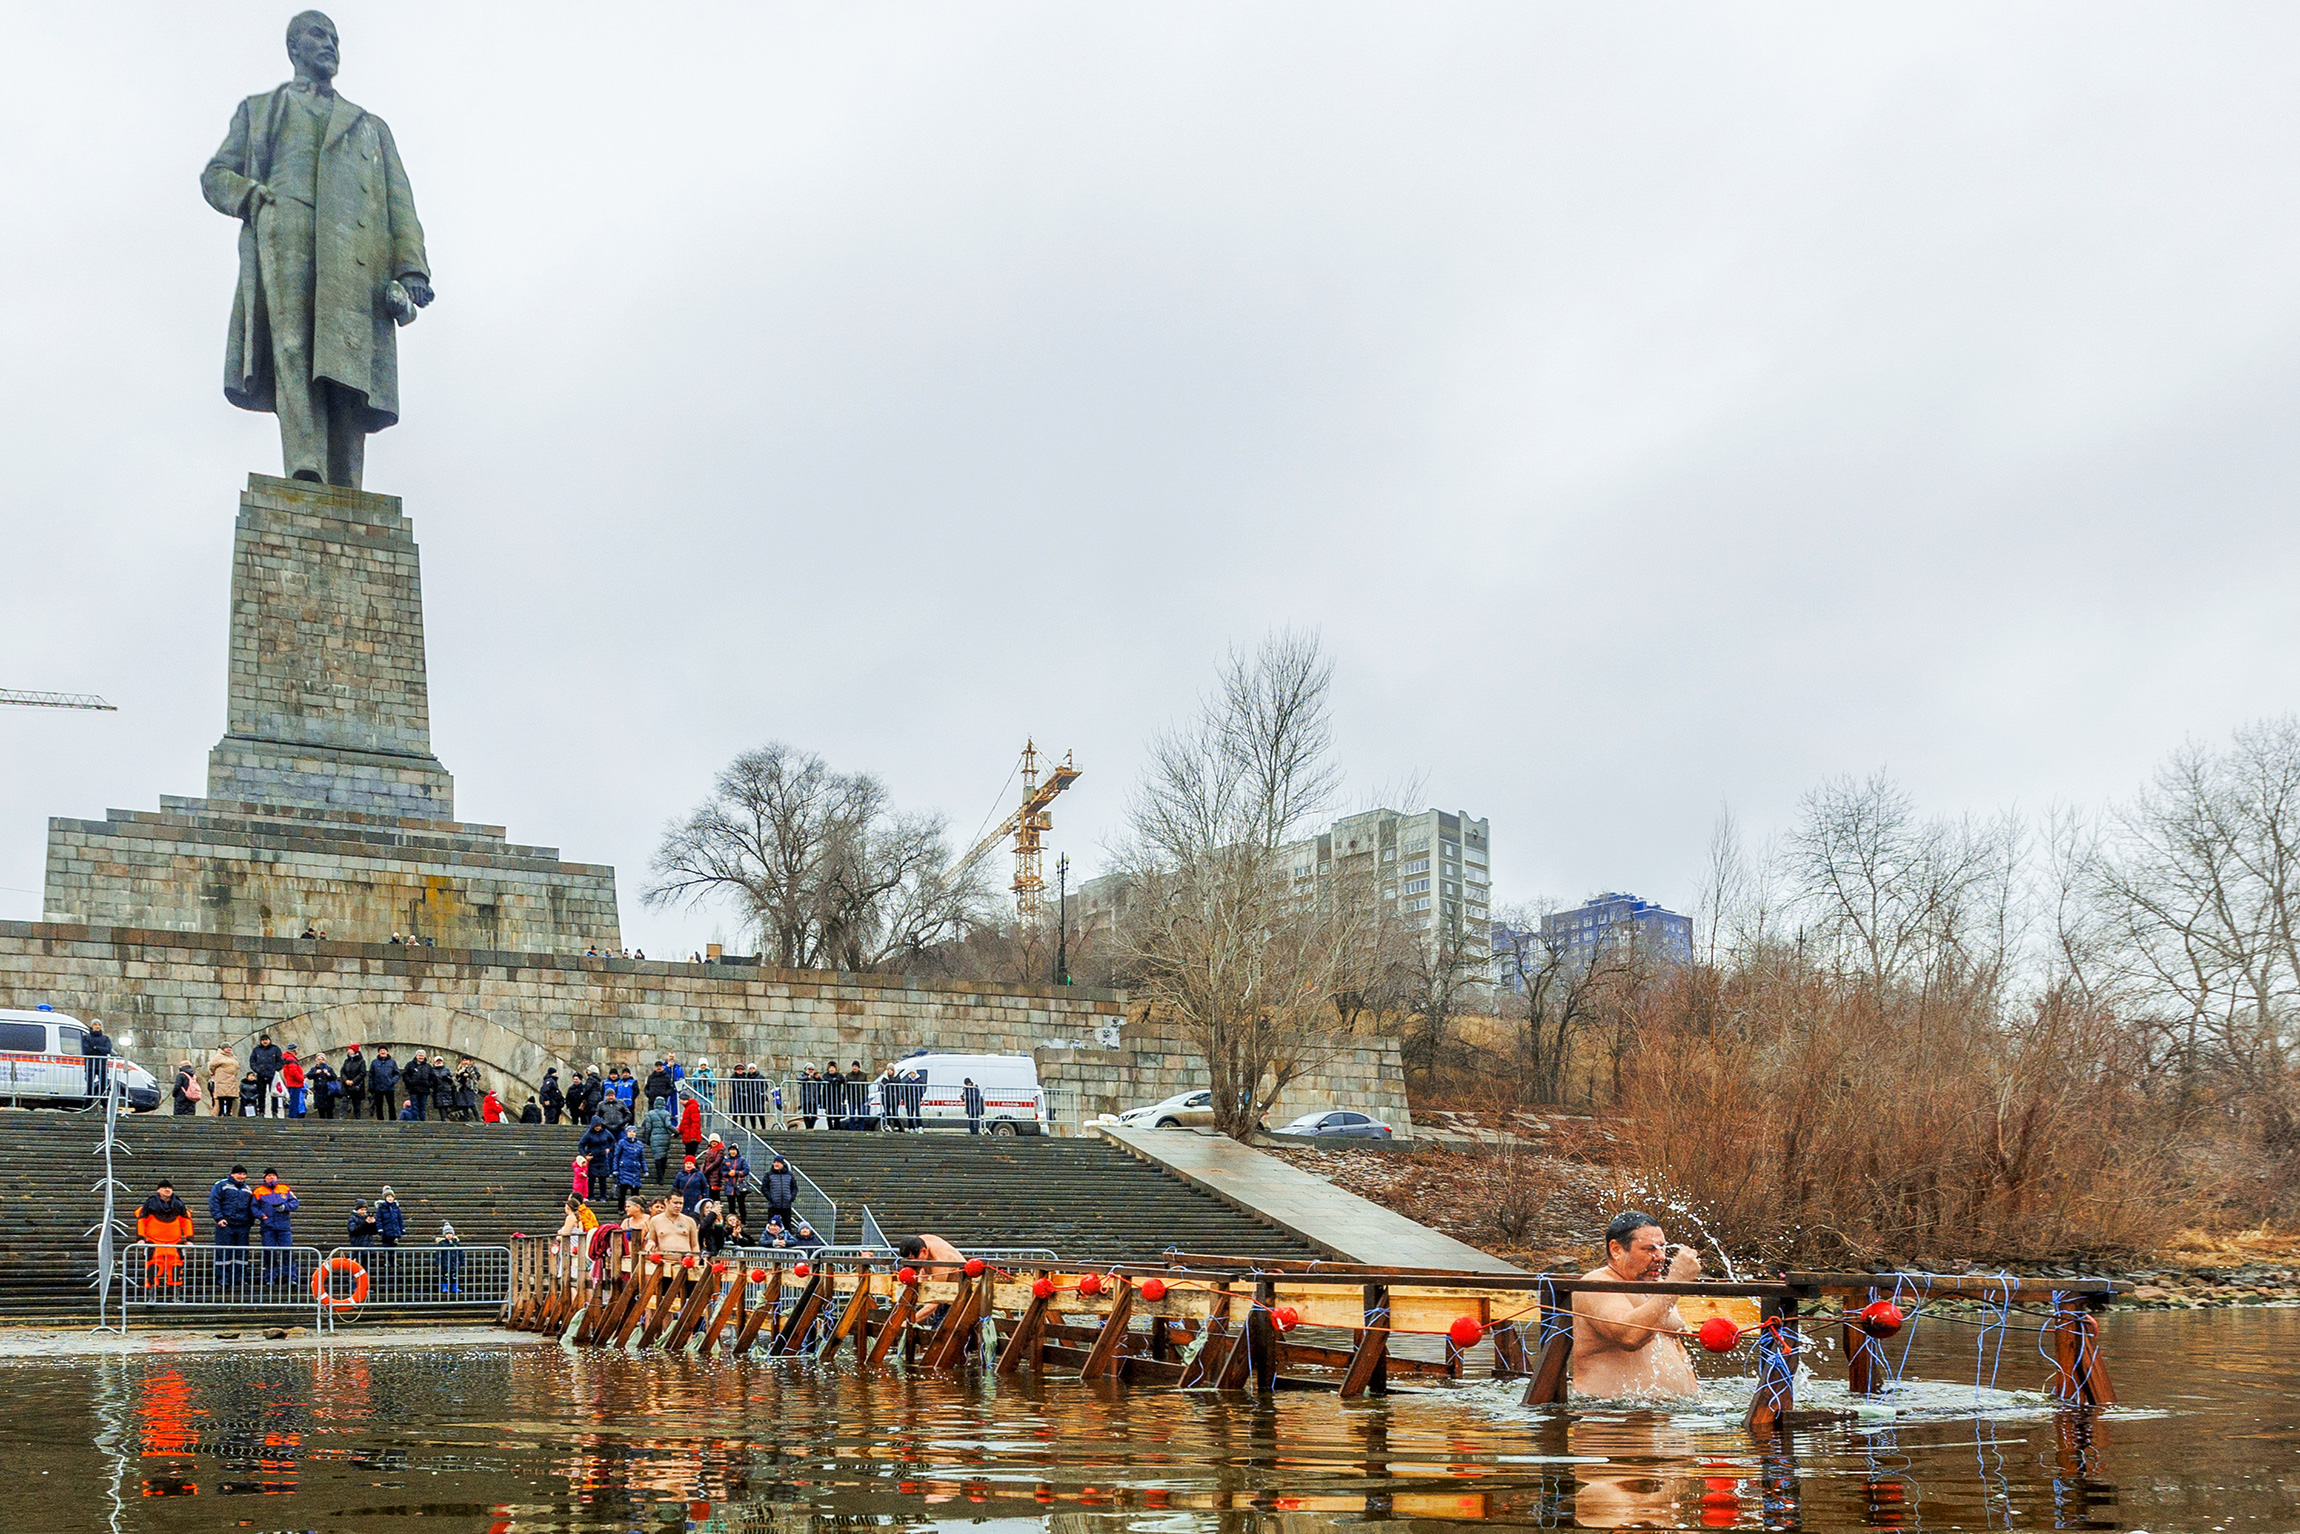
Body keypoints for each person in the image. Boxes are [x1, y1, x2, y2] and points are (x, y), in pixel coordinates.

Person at [1570, 1210, 1703, 1401]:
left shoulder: (1658, 1288)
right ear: (1616, 1249)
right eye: (1650, 1249)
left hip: (1671, 1418)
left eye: (1662, 1248)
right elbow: (1630, 1336)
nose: (1661, 1257)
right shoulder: (1595, 1285)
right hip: (1610, 1418)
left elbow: (1679, 1350)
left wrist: (1694, 1397)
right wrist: (1675, 1284)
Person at [136, 1181, 194, 1288]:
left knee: (176, 1268)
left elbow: (186, 1221)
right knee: (153, 1268)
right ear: (158, 1190)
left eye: (169, 1188)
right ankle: (151, 1294)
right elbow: (142, 1220)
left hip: (174, 1243)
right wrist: (140, 1237)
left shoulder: (179, 1205)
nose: (167, 1190)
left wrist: (189, 1238)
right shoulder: (149, 1204)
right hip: (154, 1243)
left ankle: (175, 1293)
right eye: (164, 1187)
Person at [209, 1165, 256, 1288]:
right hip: (226, 1224)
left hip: (242, 1225)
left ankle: (240, 1279)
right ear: (232, 1174)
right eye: (239, 1174)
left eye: (244, 1174)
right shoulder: (221, 1185)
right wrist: (219, 1218)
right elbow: (214, 1201)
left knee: (242, 1254)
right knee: (224, 1253)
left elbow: (251, 1206)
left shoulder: (247, 1188)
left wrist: (250, 1222)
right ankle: (223, 1279)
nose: (241, 1177)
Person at [253, 1168, 299, 1287]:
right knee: (269, 1253)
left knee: (287, 1252)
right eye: (269, 1176)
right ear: (264, 1178)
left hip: (283, 1227)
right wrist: (262, 1215)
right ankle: (270, 1277)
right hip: (268, 1227)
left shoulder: (285, 1189)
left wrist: (285, 1207)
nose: (272, 1177)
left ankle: (289, 1277)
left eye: (273, 1175)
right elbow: (253, 1207)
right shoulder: (258, 1191)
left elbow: (295, 1203)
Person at [577, 1116, 615, 1202]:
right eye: (596, 1126)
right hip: (592, 1159)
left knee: (603, 1179)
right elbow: (581, 1145)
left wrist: (609, 1148)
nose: (598, 1127)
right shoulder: (589, 1134)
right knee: (592, 1179)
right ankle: (590, 1196)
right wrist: (585, 1155)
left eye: (599, 1126)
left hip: (602, 1158)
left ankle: (603, 1196)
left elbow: (613, 1141)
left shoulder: (606, 1132)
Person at [640, 1097, 676, 1184]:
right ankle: (662, 1174)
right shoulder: (666, 1113)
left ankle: (660, 1177)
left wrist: (646, 1138)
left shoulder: (650, 1113)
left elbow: (648, 1128)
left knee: (657, 1157)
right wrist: (676, 1132)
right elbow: (668, 1125)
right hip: (665, 1137)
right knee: (664, 1155)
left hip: (655, 1137)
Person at [611, 1124, 646, 1208]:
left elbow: (642, 1158)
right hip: (624, 1170)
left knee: (635, 1193)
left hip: (635, 1171)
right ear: (626, 1133)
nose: (632, 1133)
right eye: (630, 1131)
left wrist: (645, 1169)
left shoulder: (639, 1144)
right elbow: (616, 1156)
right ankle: (621, 1208)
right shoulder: (622, 1143)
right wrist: (615, 1169)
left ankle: (635, 1208)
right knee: (622, 1192)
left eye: (633, 1132)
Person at [248, 1034, 284, 1112]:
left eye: (266, 1040)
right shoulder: (256, 1049)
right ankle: (261, 1110)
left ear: (269, 1040)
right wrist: (257, 1069)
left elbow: (280, 1061)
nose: (265, 1041)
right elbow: (252, 1061)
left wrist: (275, 1069)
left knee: (274, 1093)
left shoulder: (275, 1049)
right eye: (263, 1040)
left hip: (272, 1075)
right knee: (261, 1094)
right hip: (261, 1074)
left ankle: (274, 1111)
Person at [82, 1018, 114, 1102]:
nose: (97, 1026)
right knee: (89, 1086)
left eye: (99, 1025)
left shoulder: (105, 1038)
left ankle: (104, 1104)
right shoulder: (86, 1038)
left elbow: (108, 1049)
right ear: (92, 1026)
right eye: (95, 1024)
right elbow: (86, 1050)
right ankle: (87, 1104)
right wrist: (100, 1050)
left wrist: (96, 1048)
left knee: (103, 1086)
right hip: (90, 1065)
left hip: (102, 1065)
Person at [762, 1156, 797, 1230]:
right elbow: (764, 1187)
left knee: (787, 1226)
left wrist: (791, 1197)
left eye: (778, 1162)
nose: (776, 1164)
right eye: (774, 1162)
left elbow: (794, 1187)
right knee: (772, 1226)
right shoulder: (768, 1174)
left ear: (783, 1164)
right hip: (774, 1205)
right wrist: (770, 1198)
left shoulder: (790, 1175)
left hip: (786, 1205)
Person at [206, 1047, 240, 1116]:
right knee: (221, 1096)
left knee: (230, 1097)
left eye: (230, 1048)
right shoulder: (218, 1057)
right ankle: (221, 1112)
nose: (229, 1049)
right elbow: (212, 1066)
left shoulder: (233, 1057)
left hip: (231, 1080)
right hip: (221, 1079)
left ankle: (228, 1112)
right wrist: (214, 1074)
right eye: (227, 1048)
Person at [368, 1046, 398, 1120]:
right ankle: (380, 1120)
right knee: (379, 1105)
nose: (382, 1052)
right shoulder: (374, 1062)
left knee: (391, 1105)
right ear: (378, 1052)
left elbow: (397, 1073)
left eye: (384, 1050)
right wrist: (371, 1086)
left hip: (389, 1087)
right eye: (381, 1051)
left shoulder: (392, 1062)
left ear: (387, 1052)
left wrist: (392, 1081)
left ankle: (393, 1120)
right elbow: (371, 1074)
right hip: (378, 1087)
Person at [434, 1221, 463, 1296]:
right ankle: (445, 1287)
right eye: (447, 1234)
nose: (449, 1235)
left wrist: (461, 1261)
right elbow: (438, 1254)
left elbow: (460, 1253)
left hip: (454, 1263)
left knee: (454, 1276)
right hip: (445, 1264)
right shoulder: (442, 1244)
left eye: (450, 1233)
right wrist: (438, 1262)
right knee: (445, 1276)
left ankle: (454, 1287)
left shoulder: (456, 1243)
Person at [724, 1145, 752, 1225]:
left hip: (739, 1185)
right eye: (731, 1150)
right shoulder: (726, 1160)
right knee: (731, 1205)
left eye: (734, 1150)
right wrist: (728, 1173)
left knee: (741, 1204)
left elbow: (746, 1170)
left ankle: (743, 1221)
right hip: (729, 1185)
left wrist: (736, 1173)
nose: (732, 1152)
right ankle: (731, 1221)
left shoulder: (742, 1160)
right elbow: (722, 1172)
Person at [308, 1053, 340, 1119]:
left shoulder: (328, 1068)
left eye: (321, 1059)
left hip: (328, 1092)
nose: (319, 1061)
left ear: (324, 1060)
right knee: (321, 1110)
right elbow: (309, 1075)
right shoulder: (314, 1069)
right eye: (318, 1059)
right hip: (318, 1092)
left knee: (329, 1111)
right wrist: (315, 1073)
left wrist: (328, 1074)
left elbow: (334, 1077)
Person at [403, 1051, 432, 1120]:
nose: (421, 1057)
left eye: (422, 1055)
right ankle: (414, 1122)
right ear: (416, 1056)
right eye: (419, 1055)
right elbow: (405, 1075)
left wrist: (429, 1084)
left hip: (424, 1090)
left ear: (425, 1056)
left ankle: (422, 1122)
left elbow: (433, 1077)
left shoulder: (428, 1066)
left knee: (422, 1107)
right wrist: (410, 1082)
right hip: (413, 1090)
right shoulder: (410, 1065)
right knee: (414, 1107)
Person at [340, 1044, 367, 1116]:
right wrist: (346, 1080)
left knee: (356, 1105)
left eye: (350, 1049)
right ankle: (342, 1118)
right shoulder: (346, 1061)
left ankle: (358, 1119)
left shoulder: (361, 1062)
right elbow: (342, 1072)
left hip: (356, 1087)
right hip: (346, 1086)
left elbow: (362, 1073)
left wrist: (353, 1081)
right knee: (344, 1103)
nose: (348, 1051)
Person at [281, 1049, 307, 1118]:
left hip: (291, 1083)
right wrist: (301, 1078)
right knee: (294, 1101)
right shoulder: (291, 1059)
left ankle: (293, 1115)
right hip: (295, 1083)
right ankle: (293, 1115)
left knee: (293, 1100)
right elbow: (293, 1072)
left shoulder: (287, 1058)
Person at [677, 1091, 701, 1159]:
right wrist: (679, 1130)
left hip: (691, 1137)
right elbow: (684, 1123)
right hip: (689, 1136)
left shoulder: (692, 1107)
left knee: (690, 1157)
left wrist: (693, 1136)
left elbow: (695, 1122)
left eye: (680, 1100)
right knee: (690, 1157)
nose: (679, 1101)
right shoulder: (689, 1107)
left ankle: (696, 1169)